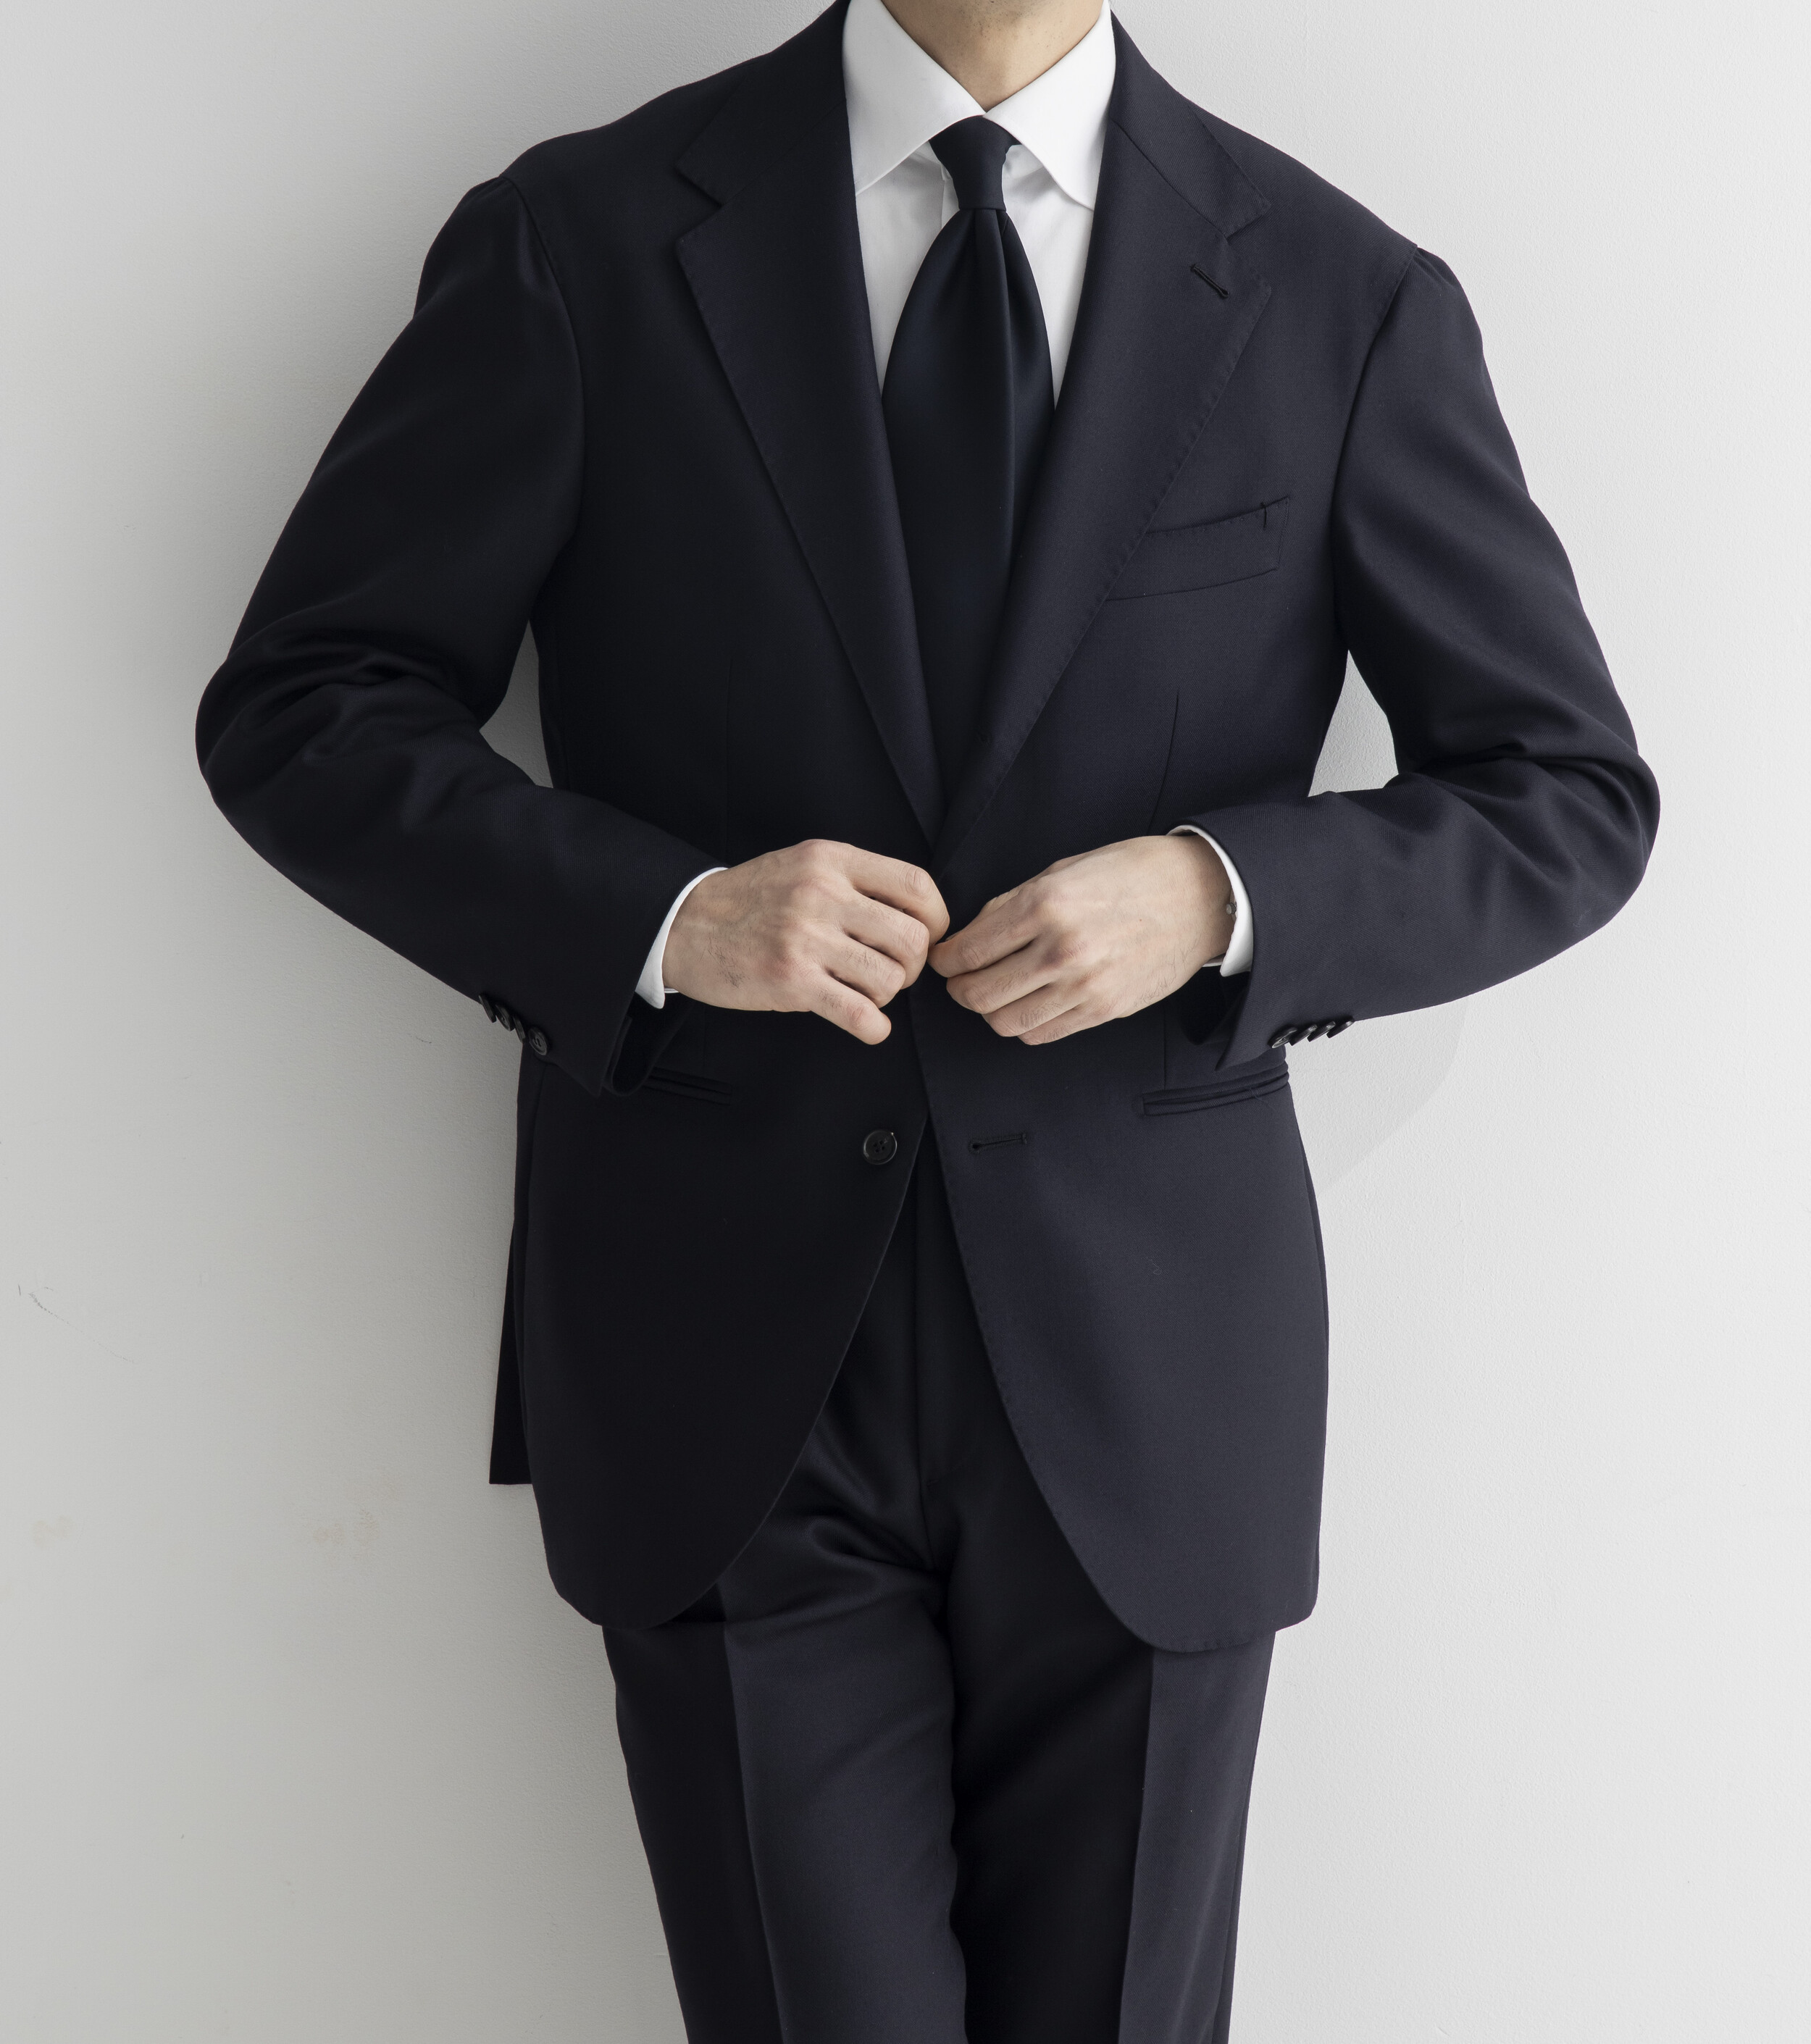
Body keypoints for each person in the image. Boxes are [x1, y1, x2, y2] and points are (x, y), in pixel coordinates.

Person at [195, 0, 1659, 2035]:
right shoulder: (581, 239)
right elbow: (309, 707)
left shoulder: (1341, 293)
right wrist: (668, 916)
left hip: (1150, 1373)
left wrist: (1221, 895)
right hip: (722, 1357)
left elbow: (1562, 791)